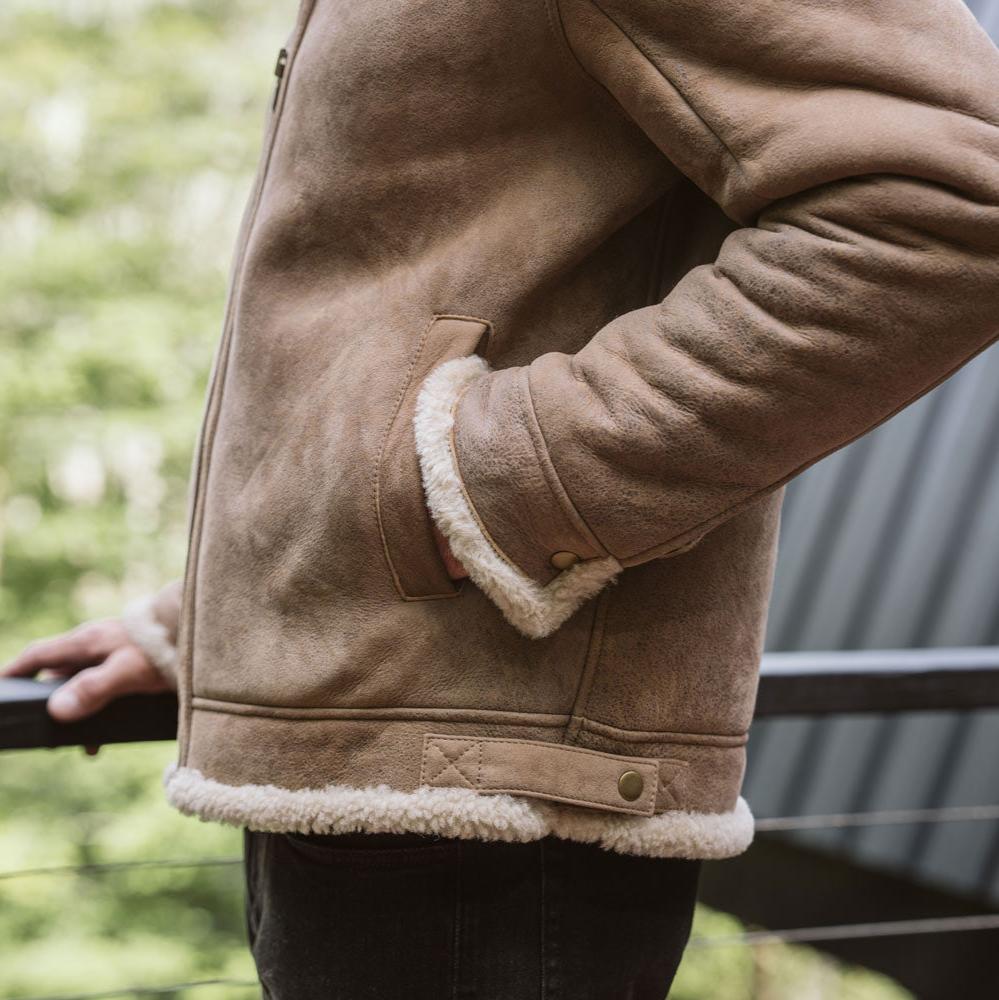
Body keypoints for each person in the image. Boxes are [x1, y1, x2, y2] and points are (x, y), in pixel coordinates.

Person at [5, 1, 999, 996]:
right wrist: (220, 625)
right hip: (393, 756)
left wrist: (508, 488)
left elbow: (956, 201)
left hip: (490, 803)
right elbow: (394, 316)